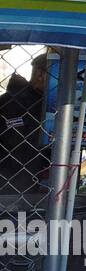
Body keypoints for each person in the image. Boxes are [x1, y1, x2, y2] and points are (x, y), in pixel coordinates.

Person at [0, 55, 49, 196]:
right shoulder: (14, 103)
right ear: (40, 74)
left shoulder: (44, 103)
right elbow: (18, 141)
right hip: (12, 181)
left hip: (29, 180)